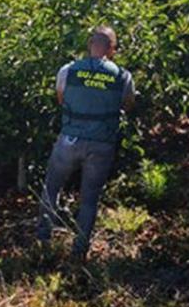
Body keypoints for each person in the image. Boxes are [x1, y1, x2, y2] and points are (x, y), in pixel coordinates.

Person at [37, 26, 135, 259]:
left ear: (90, 44)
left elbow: (61, 99)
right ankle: (79, 251)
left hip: (69, 140)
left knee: (51, 187)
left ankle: (43, 242)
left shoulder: (68, 70)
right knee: (90, 197)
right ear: (112, 49)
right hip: (101, 144)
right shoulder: (123, 76)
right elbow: (128, 105)